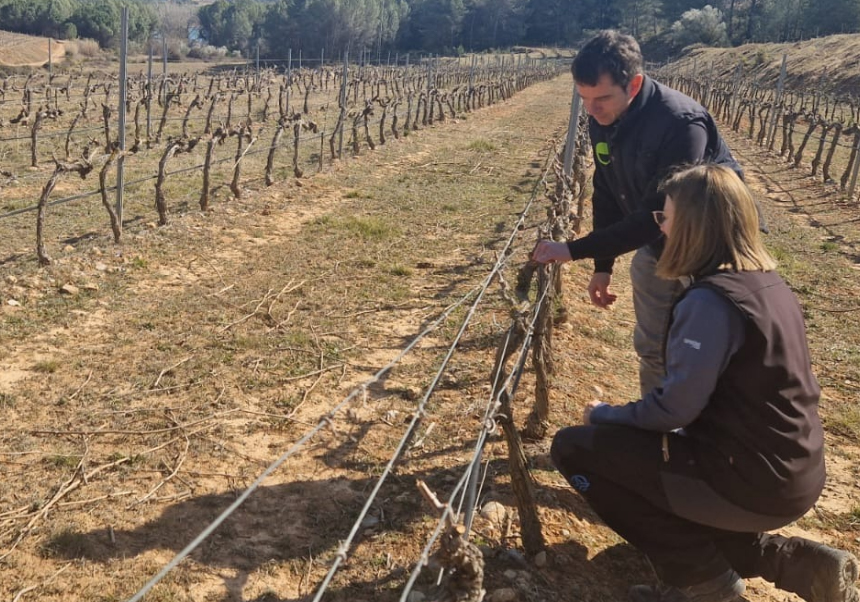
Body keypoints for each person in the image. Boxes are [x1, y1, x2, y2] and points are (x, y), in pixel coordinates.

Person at [547, 164, 859, 602]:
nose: (661, 227)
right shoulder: (767, 283)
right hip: (792, 469)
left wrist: (606, 416)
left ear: (693, 227)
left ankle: (704, 582)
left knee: (576, 449)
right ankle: (790, 562)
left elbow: (675, 410)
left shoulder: (710, 302)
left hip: (751, 480)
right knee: (653, 464)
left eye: (666, 217)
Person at [531, 30, 744, 396]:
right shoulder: (604, 119)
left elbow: (657, 213)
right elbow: (607, 190)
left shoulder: (680, 124)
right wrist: (602, 265)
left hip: (711, 253)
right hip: (658, 249)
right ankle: (657, 434)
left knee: (705, 354)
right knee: (653, 347)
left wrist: (573, 250)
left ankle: (703, 437)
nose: (592, 110)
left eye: (601, 98)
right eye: (583, 98)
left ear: (635, 83)